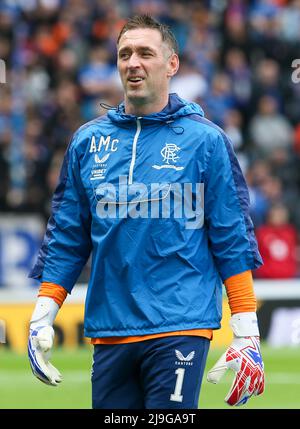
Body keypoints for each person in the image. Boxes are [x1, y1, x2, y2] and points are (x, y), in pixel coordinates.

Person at [28, 15, 265, 409]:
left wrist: (246, 330)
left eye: (145, 53)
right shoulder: (87, 142)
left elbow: (231, 235)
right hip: (110, 328)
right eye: (124, 54)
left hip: (181, 323)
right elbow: (68, 235)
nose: (132, 62)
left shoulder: (205, 141)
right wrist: (42, 313)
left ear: (171, 64)